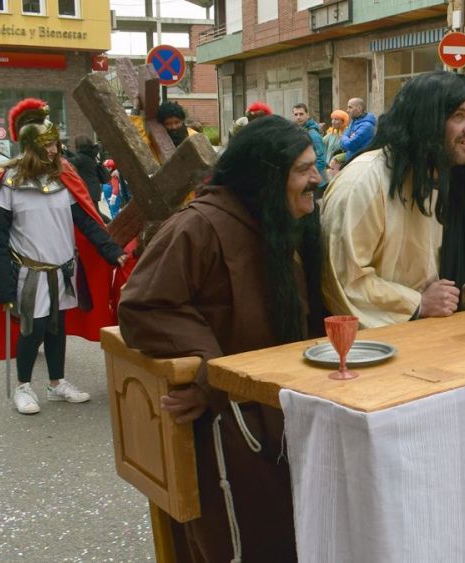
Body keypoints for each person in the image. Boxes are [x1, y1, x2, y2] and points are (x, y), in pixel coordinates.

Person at [118, 115, 324, 561]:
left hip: (282, 413)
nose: (317, 178)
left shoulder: (280, 217)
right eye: (304, 169)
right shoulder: (198, 227)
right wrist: (210, 369)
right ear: (265, 176)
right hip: (232, 426)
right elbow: (143, 305)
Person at [0, 98, 127, 414]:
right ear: (30, 146)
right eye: (47, 145)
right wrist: (4, 288)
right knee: (33, 329)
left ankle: (57, 383)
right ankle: (23, 387)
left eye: (55, 144)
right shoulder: (8, 185)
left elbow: (85, 220)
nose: (54, 151)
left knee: (57, 329)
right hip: (30, 275)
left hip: (62, 270)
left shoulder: (62, 180)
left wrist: (113, 253)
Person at [321, 71, 465, 328]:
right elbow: (345, 282)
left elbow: (424, 273)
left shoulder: (431, 177)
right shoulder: (363, 181)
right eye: (459, 116)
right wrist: (417, 303)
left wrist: (461, 295)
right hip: (369, 352)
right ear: (426, 121)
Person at [68, 134, 110, 217]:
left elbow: (68, 161)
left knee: (96, 214)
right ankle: (110, 226)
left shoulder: (82, 158)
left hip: (90, 191)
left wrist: (62, 153)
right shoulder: (90, 155)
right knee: (95, 213)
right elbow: (75, 157)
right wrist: (66, 151)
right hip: (94, 190)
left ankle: (111, 226)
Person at [292, 102, 327, 192]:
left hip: (317, 182)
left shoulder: (313, 134)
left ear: (307, 115)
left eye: (301, 114)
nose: (298, 117)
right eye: (296, 114)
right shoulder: (299, 131)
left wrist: (307, 175)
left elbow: (321, 160)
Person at [339, 97, 376, 163]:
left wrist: (344, 138)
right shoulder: (353, 121)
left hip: (361, 163)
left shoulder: (366, 126)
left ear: (359, 108)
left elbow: (350, 145)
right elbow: (342, 144)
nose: (347, 110)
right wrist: (346, 138)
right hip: (352, 161)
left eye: (350, 107)